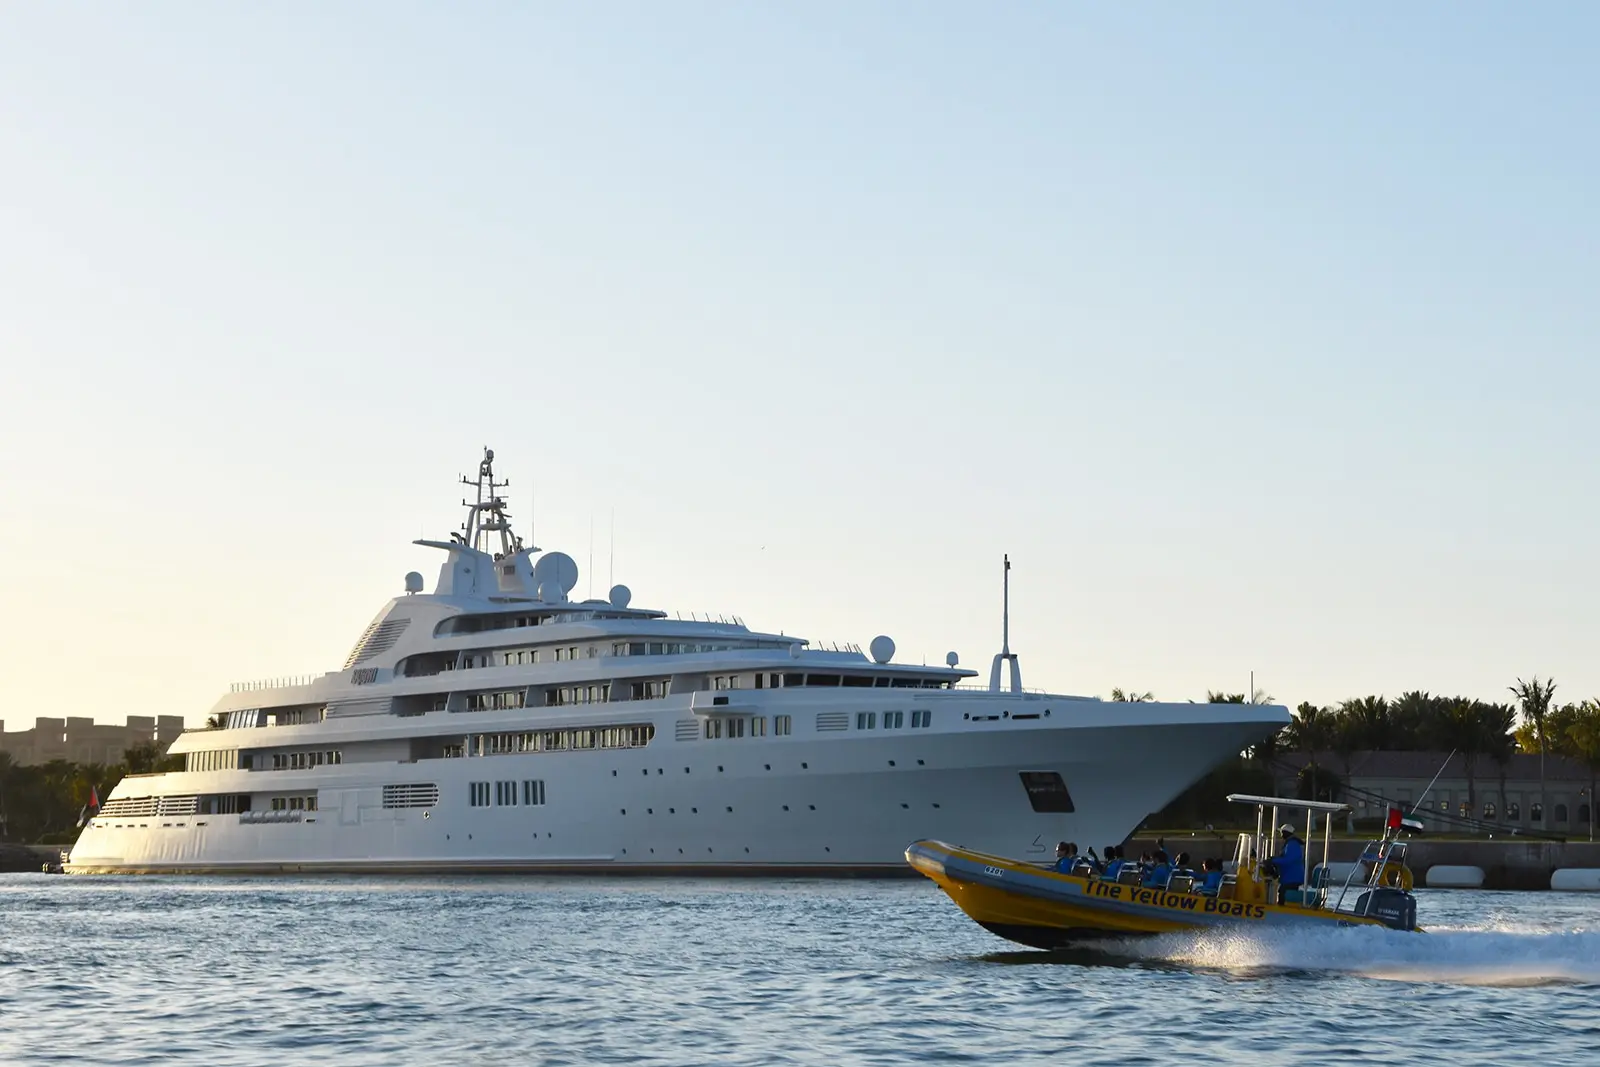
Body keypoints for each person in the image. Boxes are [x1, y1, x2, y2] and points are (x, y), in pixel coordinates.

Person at [1264, 824, 1305, 901]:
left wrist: (1273, 860)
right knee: (1284, 893)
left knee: (1283, 894)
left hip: (1292, 877)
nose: (1281, 834)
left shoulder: (1292, 844)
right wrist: (1274, 859)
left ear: (1286, 833)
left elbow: (1288, 860)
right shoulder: (1291, 843)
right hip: (1290, 877)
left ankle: (1283, 910)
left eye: (1282, 832)